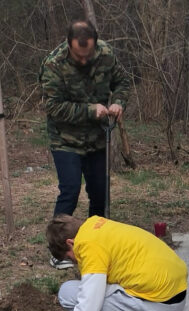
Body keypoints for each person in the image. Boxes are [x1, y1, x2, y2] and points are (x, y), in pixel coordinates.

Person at [39, 18, 130, 267]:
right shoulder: (53, 64)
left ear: (95, 44)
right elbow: (54, 107)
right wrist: (91, 111)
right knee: (70, 190)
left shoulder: (107, 55)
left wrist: (119, 102)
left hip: (98, 139)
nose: (83, 60)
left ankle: (96, 243)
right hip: (65, 140)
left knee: (100, 192)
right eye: (78, 56)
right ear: (68, 45)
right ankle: (59, 251)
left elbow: (122, 82)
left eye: (87, 55)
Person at [46, 214, 188, 311]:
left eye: (70, 257)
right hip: (172, 296)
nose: (75, 262)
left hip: (159, 306)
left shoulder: (87, 245)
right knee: (89, 290)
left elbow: (89, 303)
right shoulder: (96, 227)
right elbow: (108, 282)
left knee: (68, 293)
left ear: (70, 243)